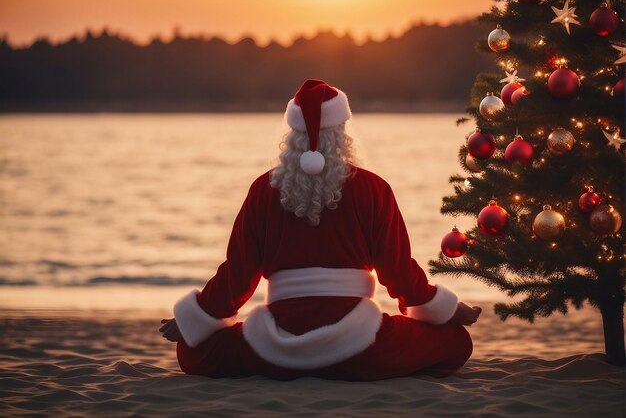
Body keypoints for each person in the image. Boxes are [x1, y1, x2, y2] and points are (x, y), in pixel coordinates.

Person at [160, 79, 481, 381]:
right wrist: (445, 309)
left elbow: (237, 275)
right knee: (455, 341)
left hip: (277, 348)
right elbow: (398, 273)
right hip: (362, 347)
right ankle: (347, 366)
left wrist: (195, 318)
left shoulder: (263, 189)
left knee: (193, 352)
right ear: (342, 133)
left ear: (292, 136)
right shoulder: (374, 188)